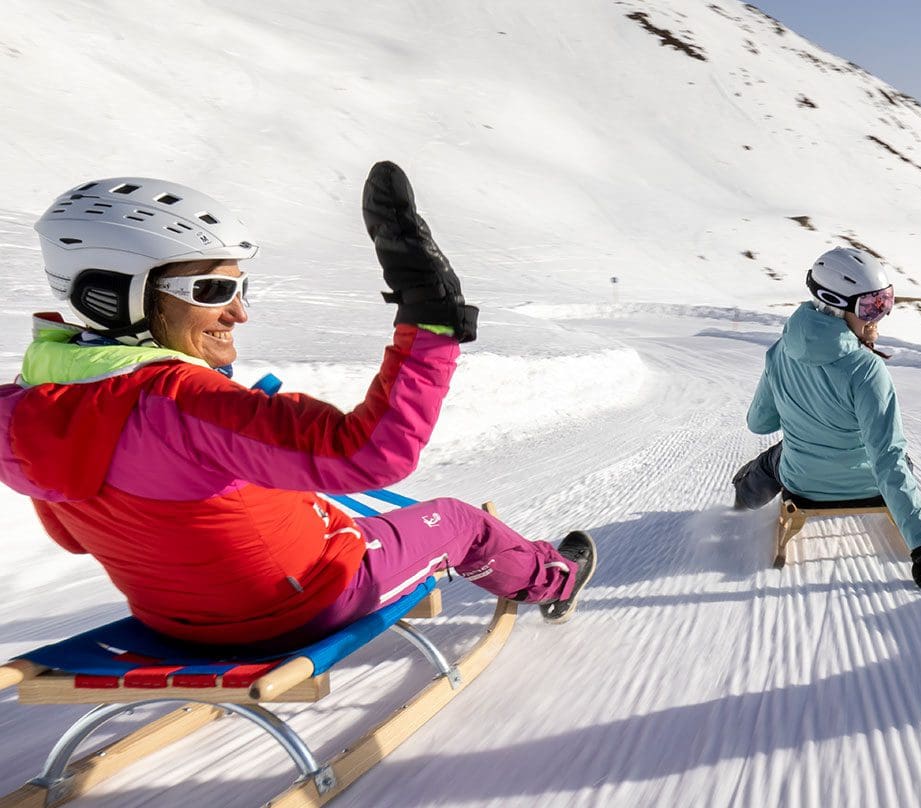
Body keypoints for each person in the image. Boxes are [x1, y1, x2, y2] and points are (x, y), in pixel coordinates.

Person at [0, 163, 597, 649]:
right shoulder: (186, 404)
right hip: (303, 605)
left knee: (329, 512)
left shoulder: (21, 411)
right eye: (212, 290)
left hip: (173, 620)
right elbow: (371, 454)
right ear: (112, 295)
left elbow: (76, 534)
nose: (239, 313)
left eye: (241, 288)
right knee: (460, 521)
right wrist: (431, 317)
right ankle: (556, 580)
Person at [731, 248, 921, 589]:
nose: (877, 317)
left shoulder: (780, 352)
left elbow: (759, 423)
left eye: (884, 303)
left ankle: (737, 510)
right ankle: (903, 515)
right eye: (869, 307)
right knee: (903, 460)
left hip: (802, 481)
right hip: (870, 483)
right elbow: (888, 459)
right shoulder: (867, 370)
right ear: (835, 304)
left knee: (773, 459)